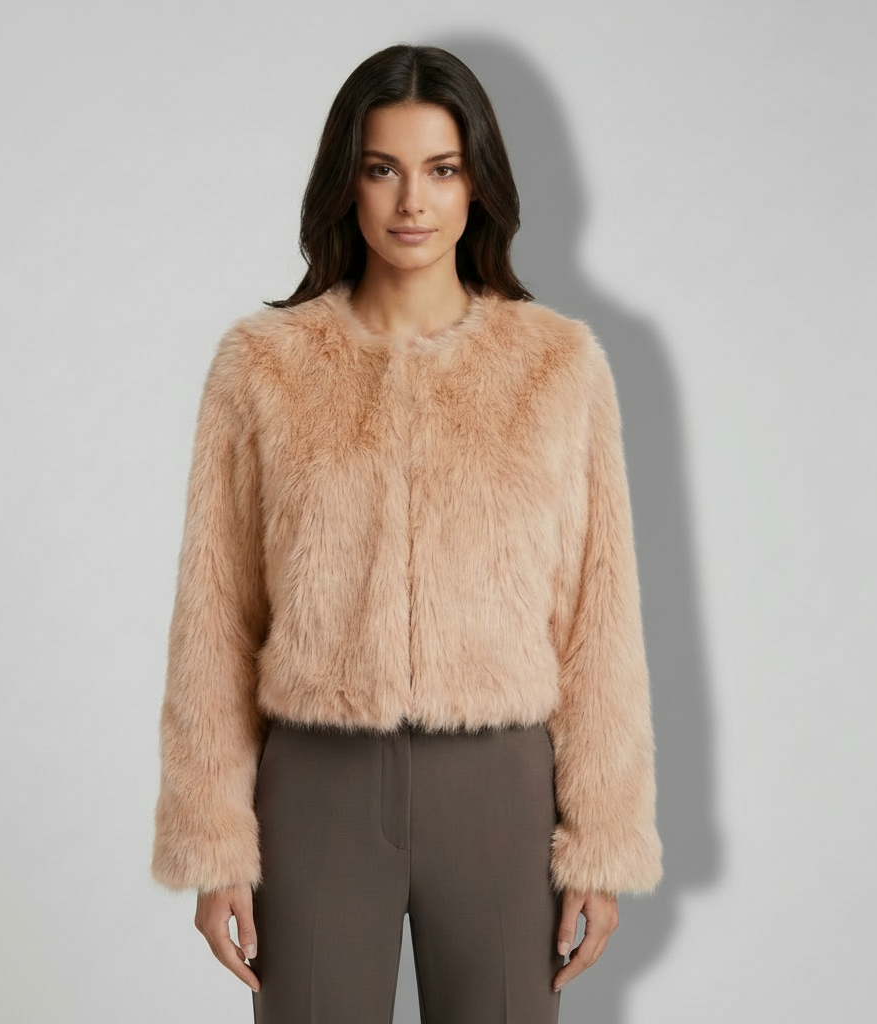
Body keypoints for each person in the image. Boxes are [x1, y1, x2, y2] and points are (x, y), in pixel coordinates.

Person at [151, 43, 663, 1024]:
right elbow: (214, 613)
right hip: (316, 788)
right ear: (346, 183)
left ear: (479, 184)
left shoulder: (557, 368)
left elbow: (599, 616)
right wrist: (215, 844)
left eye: (442, 168)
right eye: (383, 168)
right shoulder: (263, 368)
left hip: (500, 790)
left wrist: (600, 842)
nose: (412, 202)